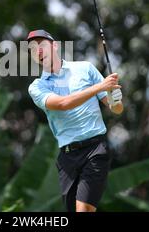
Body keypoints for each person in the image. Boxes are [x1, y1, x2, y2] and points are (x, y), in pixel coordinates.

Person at [26, 29, 123, 212]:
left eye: (41, 45)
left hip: (95, 149)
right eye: (32, 49)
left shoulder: (85, 68)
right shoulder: (37, 87)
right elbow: (63, 104)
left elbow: (116, 109)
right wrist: (99, 87)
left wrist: (115, 98)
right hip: (67, 158)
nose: (37, 50)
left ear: (54, 46)